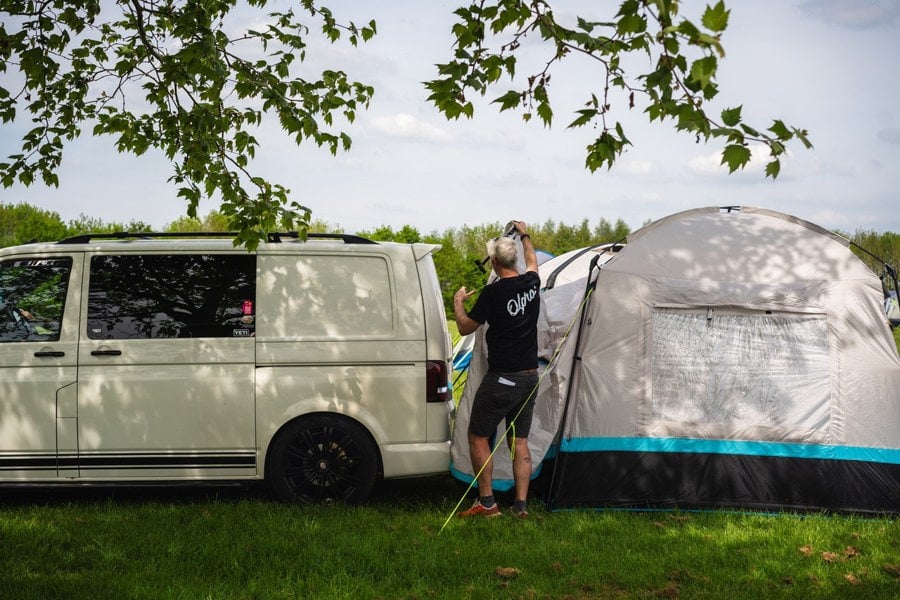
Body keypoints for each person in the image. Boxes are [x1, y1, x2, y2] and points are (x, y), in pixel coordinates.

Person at [453, 220, 540, 518]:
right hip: (530, 377)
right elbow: (532, 261)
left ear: (493, 261)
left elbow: (465, 328)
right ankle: (521, 506)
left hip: (503, 378)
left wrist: (458, 303)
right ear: (513, 258)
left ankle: (487, 504)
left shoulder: (493, 293)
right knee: (521, 441)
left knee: (478, 436)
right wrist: (525, 233)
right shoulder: (532, 283)